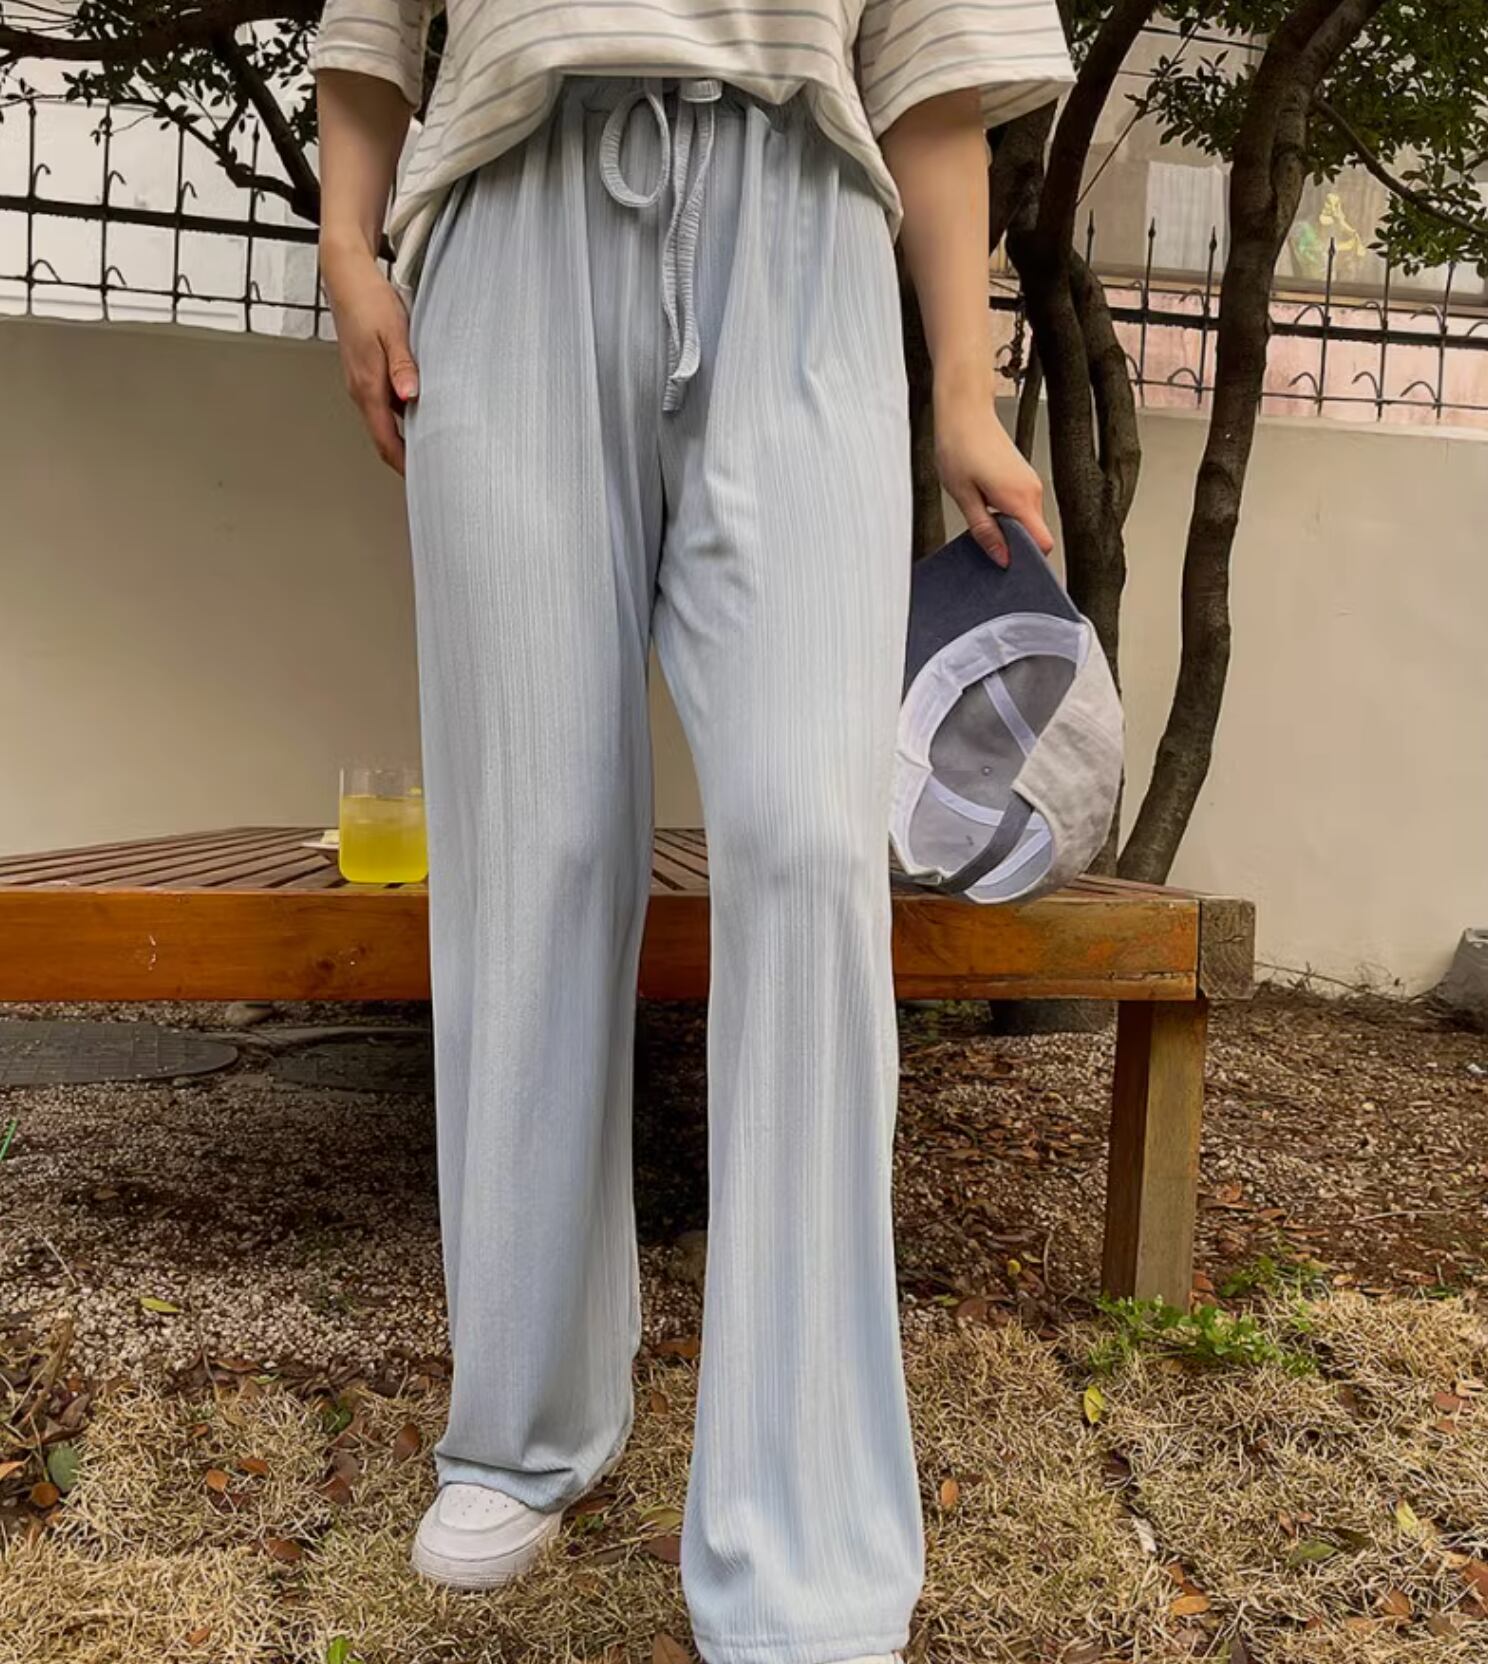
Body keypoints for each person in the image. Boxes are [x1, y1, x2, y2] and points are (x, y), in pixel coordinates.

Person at [313, 4, 1073, 1660]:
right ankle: (525, 1423)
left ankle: (802, 1519)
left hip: (801, 215)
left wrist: (963, 383)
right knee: (537, 849)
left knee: (809, 850)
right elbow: (369, 25)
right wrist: (348, 246)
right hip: (510, 210)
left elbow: (932, 61)